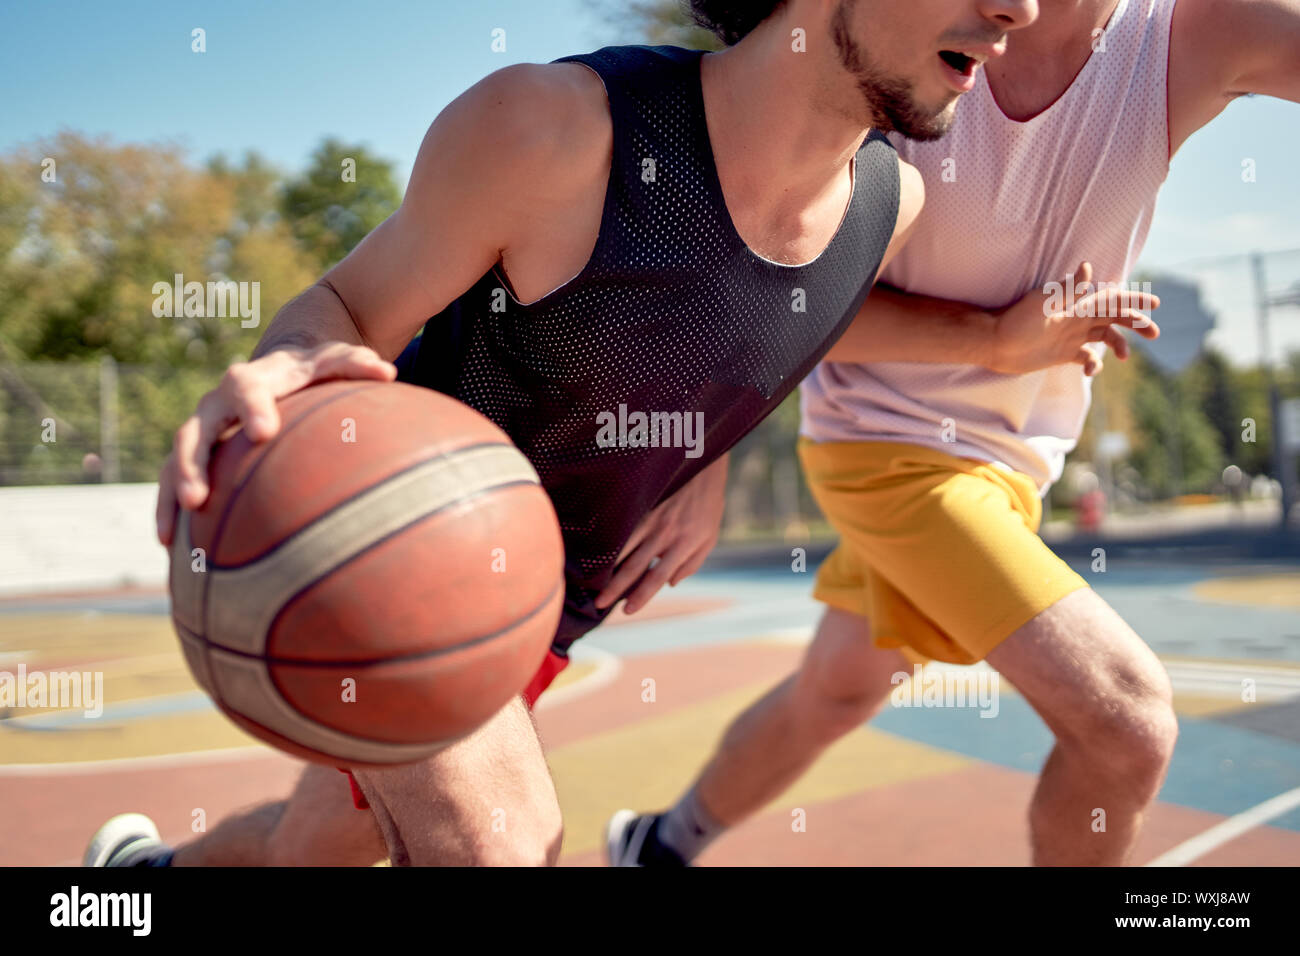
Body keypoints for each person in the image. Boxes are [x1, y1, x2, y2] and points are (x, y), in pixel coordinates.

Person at [85, 0, 1041, 867]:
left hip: (557, 602)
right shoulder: (556, 130)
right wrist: (291, 357)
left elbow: (764, 317)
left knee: (325, 842)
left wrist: (705, 459)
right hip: (403, 554)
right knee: (504, 846)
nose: (1020, 10)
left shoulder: (888, 207)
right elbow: (347, 303)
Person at [608, 0, 1300, 867]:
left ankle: (656, 845)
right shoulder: (901, 38)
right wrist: (994, 345)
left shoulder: (1195, 37)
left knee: (833, 693)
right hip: (881, 448)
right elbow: (781, 288)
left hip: (1011, 466)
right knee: (1126, 723)